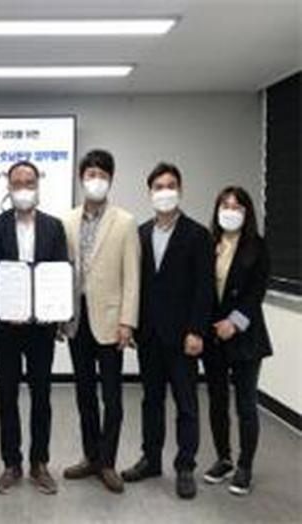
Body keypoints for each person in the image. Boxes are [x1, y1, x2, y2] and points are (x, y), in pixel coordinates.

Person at [121, 162, 214, 500]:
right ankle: (151, 459)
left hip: (183, 336)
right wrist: (132, 324)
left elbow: (204, 288)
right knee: (151, 401)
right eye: (158, 187)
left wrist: (197, 331)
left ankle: (185, 466)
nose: (165, 192)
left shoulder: (197, 234)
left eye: (170, 185)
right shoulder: (141, 233)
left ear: (180, 190)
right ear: (150, 193)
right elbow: (135, 284)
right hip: (149, 335)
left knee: (186, 403)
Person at [0, 161, 68, 496]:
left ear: (38, 185)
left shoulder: (53, 226)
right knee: (7, 395)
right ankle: (11, 464)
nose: (23, 188)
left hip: (41, 327)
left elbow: (58, 272)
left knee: (41, 395)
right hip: (6, 324)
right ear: (8, 187)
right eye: (17, 183)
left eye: (29, 182)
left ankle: (39, 463)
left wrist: (51, 310)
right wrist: (13, 304)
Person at [60, 150, 140, 494]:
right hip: (77, 320)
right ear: (82, 178)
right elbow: (61, 272)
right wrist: (59, 317)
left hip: (110, 322)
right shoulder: (67, 220)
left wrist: (128, 321)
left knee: (112, 398)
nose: (96, 180)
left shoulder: (125, 222)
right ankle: (90, 456)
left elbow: (132, 277)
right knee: (84, 395)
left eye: (102, 175)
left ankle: (107, 462)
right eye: (90, 174)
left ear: (111, 179)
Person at [202, 186, 272, 496]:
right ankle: (224, 459)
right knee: (217, 401)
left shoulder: (257, 246)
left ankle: (245, 465)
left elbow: (257, 293)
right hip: (214, 337)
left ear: (247, 212)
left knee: (245, 404)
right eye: (225, 205)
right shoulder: (208, 243)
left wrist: (235, 322)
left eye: (237, 206)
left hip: (245, 337)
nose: (230, 211)